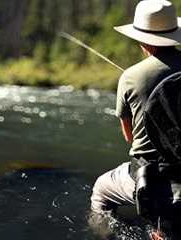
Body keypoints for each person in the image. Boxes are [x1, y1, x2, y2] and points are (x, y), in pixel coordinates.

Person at [90, 0, 181, 218]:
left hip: (153, 175)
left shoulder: (130, 76)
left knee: (101, 189)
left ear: (142, 40)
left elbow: (129, 136)